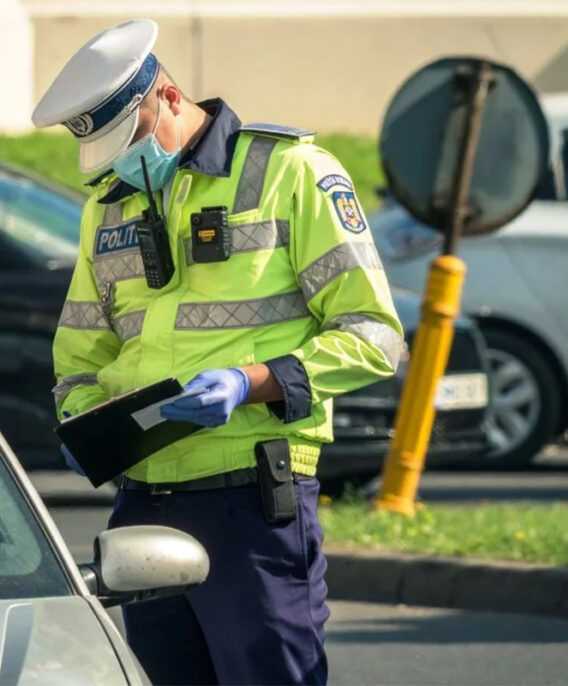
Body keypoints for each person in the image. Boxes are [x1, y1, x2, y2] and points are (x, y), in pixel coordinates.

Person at [34, 19, 403, 686]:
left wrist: (250, 381)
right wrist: (88, 422)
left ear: (169, 98)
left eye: (133, 140)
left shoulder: (290, 172)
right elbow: (81, 352)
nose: (125, 162)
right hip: (143, 502)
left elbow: (374, 336)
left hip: (251, 502)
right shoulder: (109, 209)